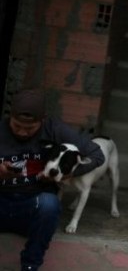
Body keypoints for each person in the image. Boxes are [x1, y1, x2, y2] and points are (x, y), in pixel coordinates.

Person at [0, 88, 105, 271]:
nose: (23, 133)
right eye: (17, 126)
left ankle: (30, 266)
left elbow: (97, 155)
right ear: (10, 116)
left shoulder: (54, 128)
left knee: (50, 204)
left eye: (30, 129)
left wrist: (68, 172)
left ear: (43, 120)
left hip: (31, 208)